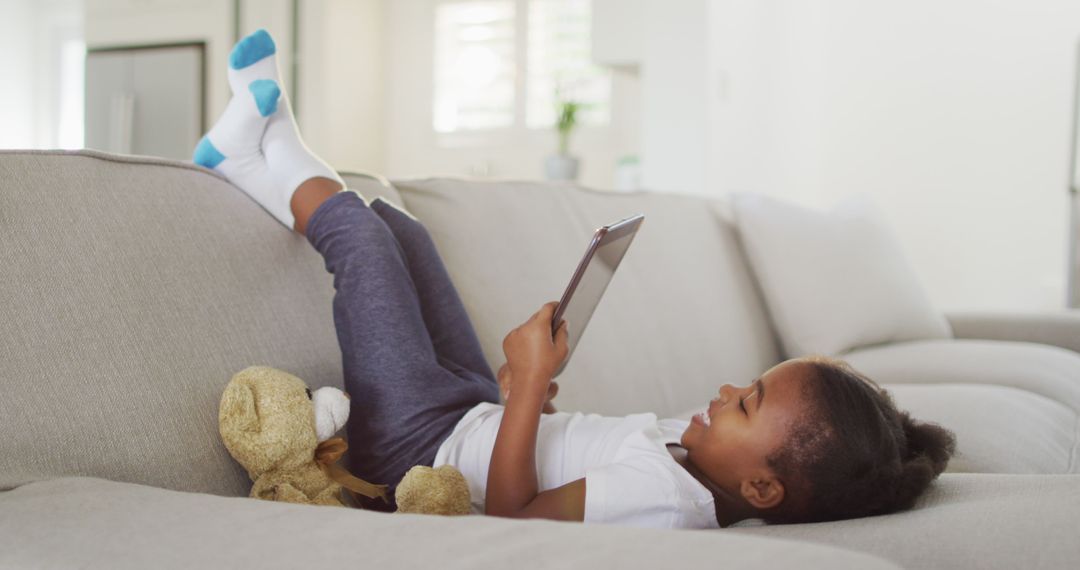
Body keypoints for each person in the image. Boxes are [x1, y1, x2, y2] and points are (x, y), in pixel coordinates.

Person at [195, 29, 957, 529]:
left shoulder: (666, 499)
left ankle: (242, 157)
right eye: (747, 384)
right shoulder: (702, 461)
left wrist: (527, 390)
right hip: (470, 412)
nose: (726, 392)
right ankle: (264, 148)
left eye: (747, 404)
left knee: (361, 240)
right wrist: (529, 395)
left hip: (417, 449)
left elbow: (521, 516)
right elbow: (562, 453)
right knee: (406, 228)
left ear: (760, 489)